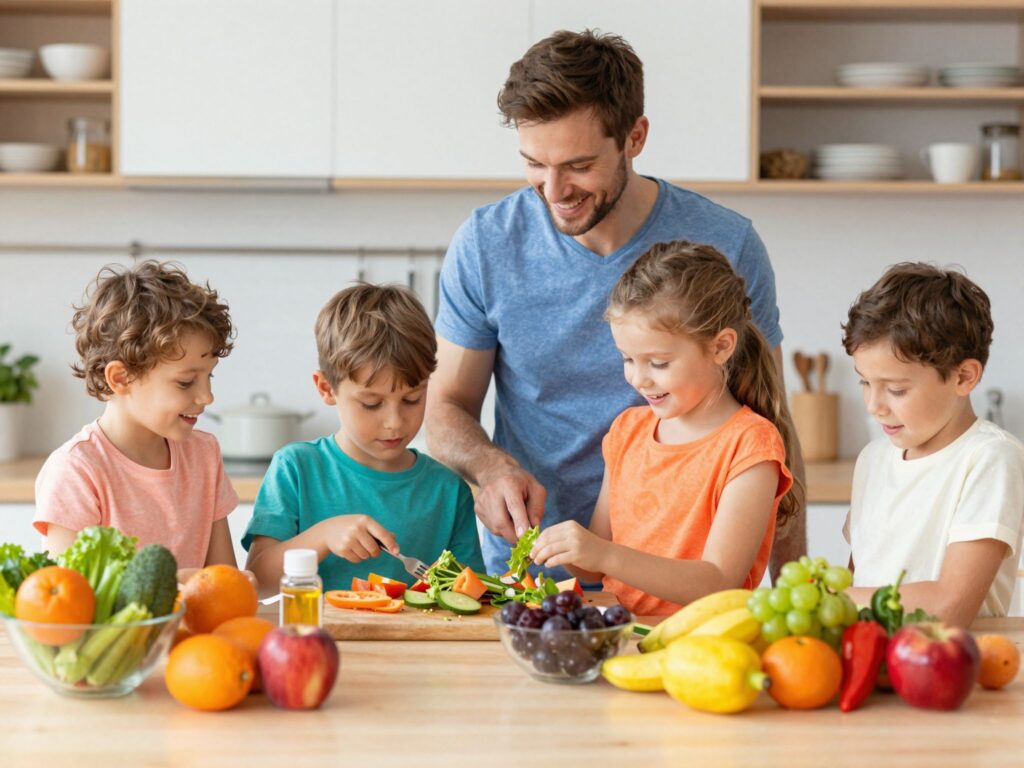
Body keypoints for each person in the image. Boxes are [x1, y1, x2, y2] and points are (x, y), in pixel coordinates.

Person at [426, 28, 805, 579]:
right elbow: (445, 408)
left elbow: (773, 422)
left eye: (578, 165)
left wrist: (796, 595)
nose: (553, 190)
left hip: (686, 586)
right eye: (534, 163)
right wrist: (489, 469)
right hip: (529, 577)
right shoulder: (487, 243)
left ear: (635, 136)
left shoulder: (726, 245)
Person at [528, 242, 795, 615]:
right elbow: (596, 563)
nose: (639, 379)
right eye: (627, 359)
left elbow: (719, 582)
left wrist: (603, 552)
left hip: (704, 644)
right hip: (622, 633)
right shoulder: (627, 432)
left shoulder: (750, 446)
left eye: (658, 362)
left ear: (721, 347)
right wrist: (566, 545)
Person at [244, 283, 484, 591]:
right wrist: (323, 536)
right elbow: (259, 580)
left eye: (412, 399)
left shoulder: (448, 492)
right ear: (326, 389)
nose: (395, 423)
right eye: (371, 404)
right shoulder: (296, 468)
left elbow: (470, 596)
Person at [34, 260, 242, 581]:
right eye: (186, 382)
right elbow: (71, 600)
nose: (207, 397)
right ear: (121, 378)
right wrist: (174, 584)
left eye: (209, 377)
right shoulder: (76, 470)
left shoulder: (204, 455)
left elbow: (224, 581)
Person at [841, 263, 1024, 626]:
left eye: (896, 389)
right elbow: (857, 581)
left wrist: (834, 598)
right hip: (879, 661)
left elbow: (951, 606)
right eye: (864, 382)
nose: (874, 405)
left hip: (957, 666)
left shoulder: (990, 458)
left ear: (964, 376)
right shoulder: (873, 459)